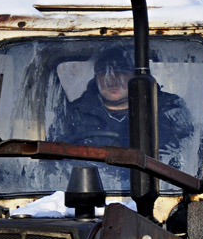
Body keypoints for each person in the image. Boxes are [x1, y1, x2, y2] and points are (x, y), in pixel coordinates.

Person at [51, 45, 195, 166]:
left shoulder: (168, 111)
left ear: (136, 76)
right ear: (96, 77)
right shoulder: (74, 114)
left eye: (121, 73)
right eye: (104, 73)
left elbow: (187, 157)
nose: (112, 81)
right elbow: (53, 165)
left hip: (158, 192)